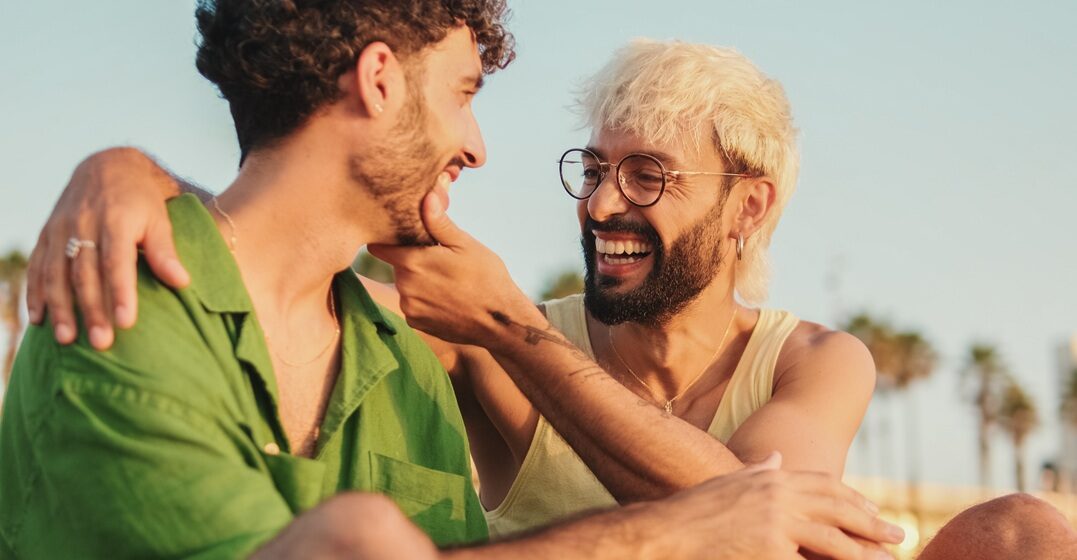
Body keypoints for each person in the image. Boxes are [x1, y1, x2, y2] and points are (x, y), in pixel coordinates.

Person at [0, 1, 903, 559]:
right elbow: (259, 258)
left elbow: (763, 519)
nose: (596, 207)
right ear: (381, 81)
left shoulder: (419, 355)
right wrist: (129, 169)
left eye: (648, 175)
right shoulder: (130, 306)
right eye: (591, 170)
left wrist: (512, 327)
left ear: (749, 206)